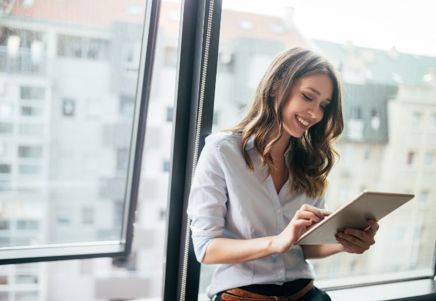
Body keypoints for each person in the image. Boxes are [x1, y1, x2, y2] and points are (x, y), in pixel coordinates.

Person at [187, 47, 379, 301]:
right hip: (243, 295)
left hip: (307, 294)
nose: (315, 114)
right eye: (308, 97)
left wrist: (346, 243)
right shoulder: (222, 152)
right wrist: (277, 241)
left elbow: (306, 246)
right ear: (277, 86)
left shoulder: (310, 161)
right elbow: (206, 248)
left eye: (323, 105)